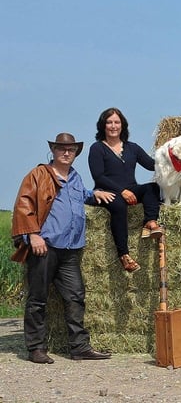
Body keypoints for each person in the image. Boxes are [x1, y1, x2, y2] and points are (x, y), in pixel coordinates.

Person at [12, 133, 115, 364]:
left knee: (75, 297)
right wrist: (32, 234)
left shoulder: (76, 177)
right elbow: (23, 204)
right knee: (38, 299)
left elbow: (79, 196)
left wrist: (93, 194)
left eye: (71, 150)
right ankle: (36, 348)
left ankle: (79, 347)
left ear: (76, 153)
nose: (66, 153)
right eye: (61, 149)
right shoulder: (38, 174)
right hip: (45, 247)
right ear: (54, 151)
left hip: (71, 248)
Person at [88, 108, 161, 273]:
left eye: (117, 122)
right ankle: (124, 255)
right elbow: (99, 176)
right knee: (119, 205)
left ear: (123, 125)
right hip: (107, 192)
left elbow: (151, 165)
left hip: (131, 188)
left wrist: (171, 153)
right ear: (103, 126)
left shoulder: (132, 148)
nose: (113, 126)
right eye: (109, 122)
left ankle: (149, 222)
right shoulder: (97, 148)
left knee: (153, 187)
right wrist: (122, 191)